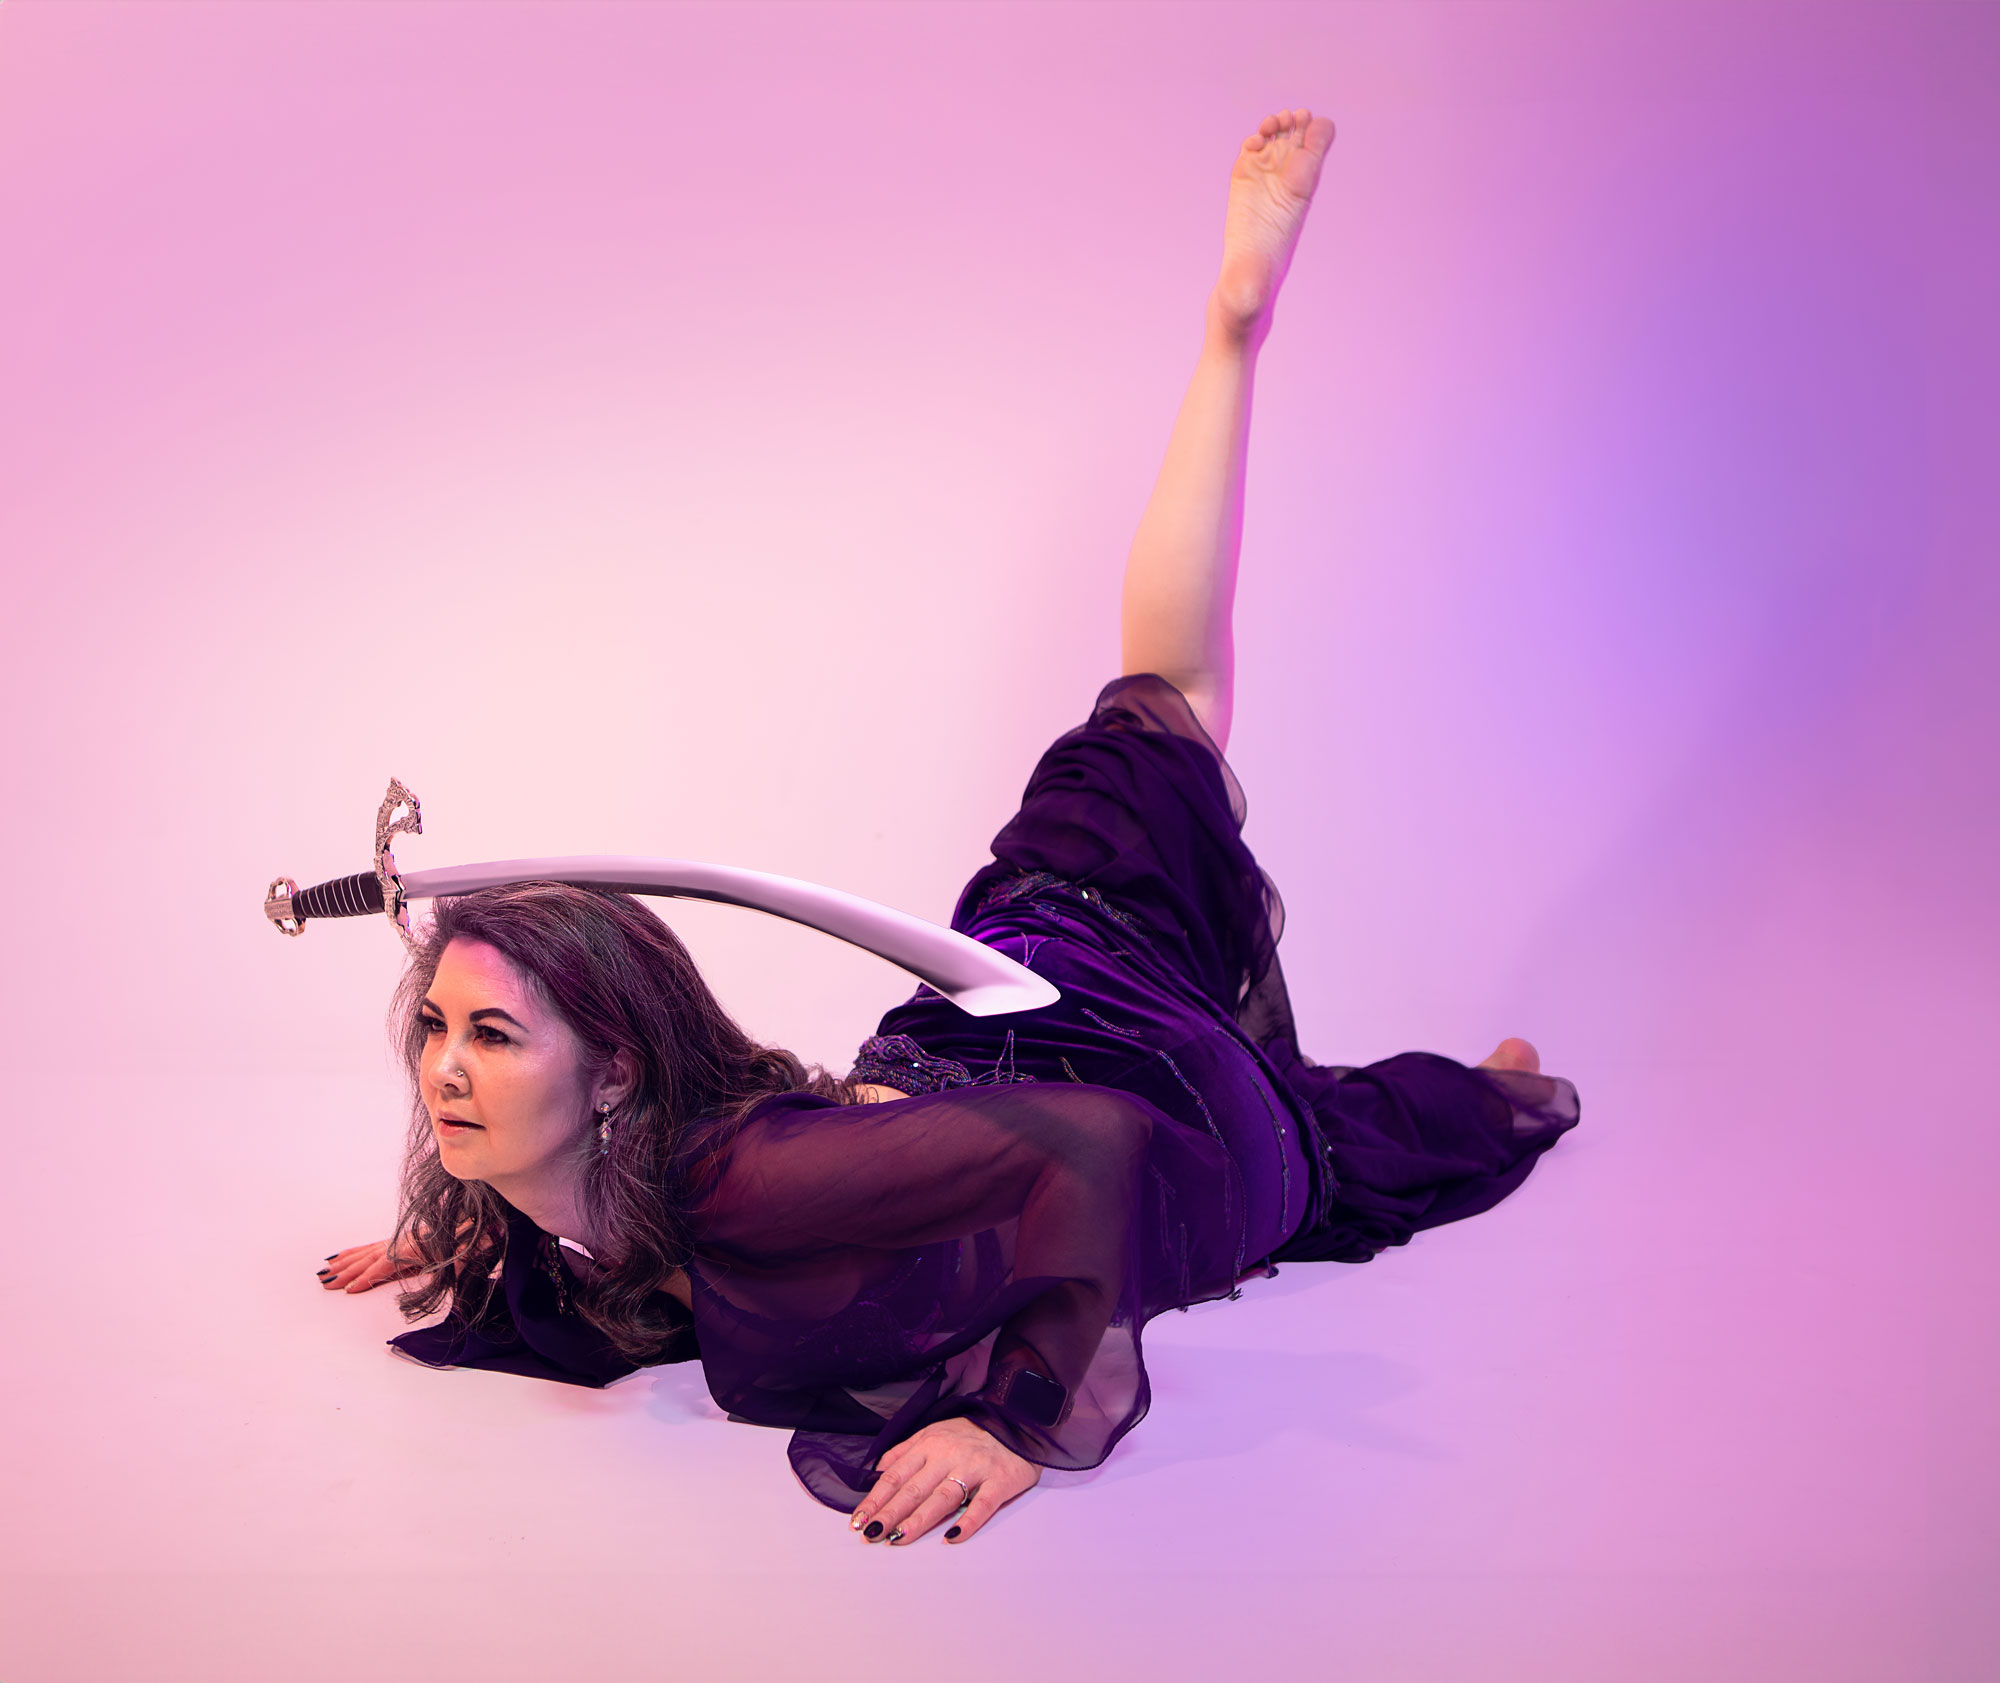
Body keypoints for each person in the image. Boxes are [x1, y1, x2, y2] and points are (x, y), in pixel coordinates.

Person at [316, 107, 1578, 1548]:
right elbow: (626, 1246)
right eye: (438, 1027)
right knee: (1395, 1093)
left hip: (1145, 1101)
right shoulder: (606, 1181)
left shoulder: (748, 1176)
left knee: (1168, 710)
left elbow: (1093, 1146)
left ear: (612, 1071)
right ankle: (1481, 1085)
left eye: (491, 1035)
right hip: (993, 1019)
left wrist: (1019, 1414)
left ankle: (1233, 330)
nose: (443, 1069)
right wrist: (482, 1216)